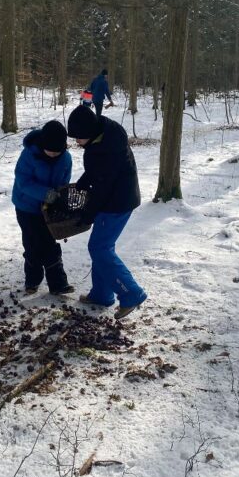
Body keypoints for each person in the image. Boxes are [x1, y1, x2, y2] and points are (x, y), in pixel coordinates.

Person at [66, 106, 146, 320]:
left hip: (116, 203)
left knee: (100, 248)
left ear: (89, 133)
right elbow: (99, 173)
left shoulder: (104, 149)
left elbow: (102, 187)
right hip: (118, 197)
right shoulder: (104, 134)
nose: (77, 142)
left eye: (79, 138)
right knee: (100, 247)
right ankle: (102, 294)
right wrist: (84, 181)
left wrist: (87, 215)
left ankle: (131, 293)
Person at [11, 121, 74, 296]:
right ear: (43, 144)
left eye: (58, 151)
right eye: (50, 150)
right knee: (32, 244)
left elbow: (63, 183)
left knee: (49, 243)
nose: (54, 154)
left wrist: (60, 202)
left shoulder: (66, 158)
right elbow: (24, 183)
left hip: (49, 209)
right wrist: (47, 195)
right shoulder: (29, 155)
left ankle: (58, 283)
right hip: (27, 207)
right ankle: (32, 280)